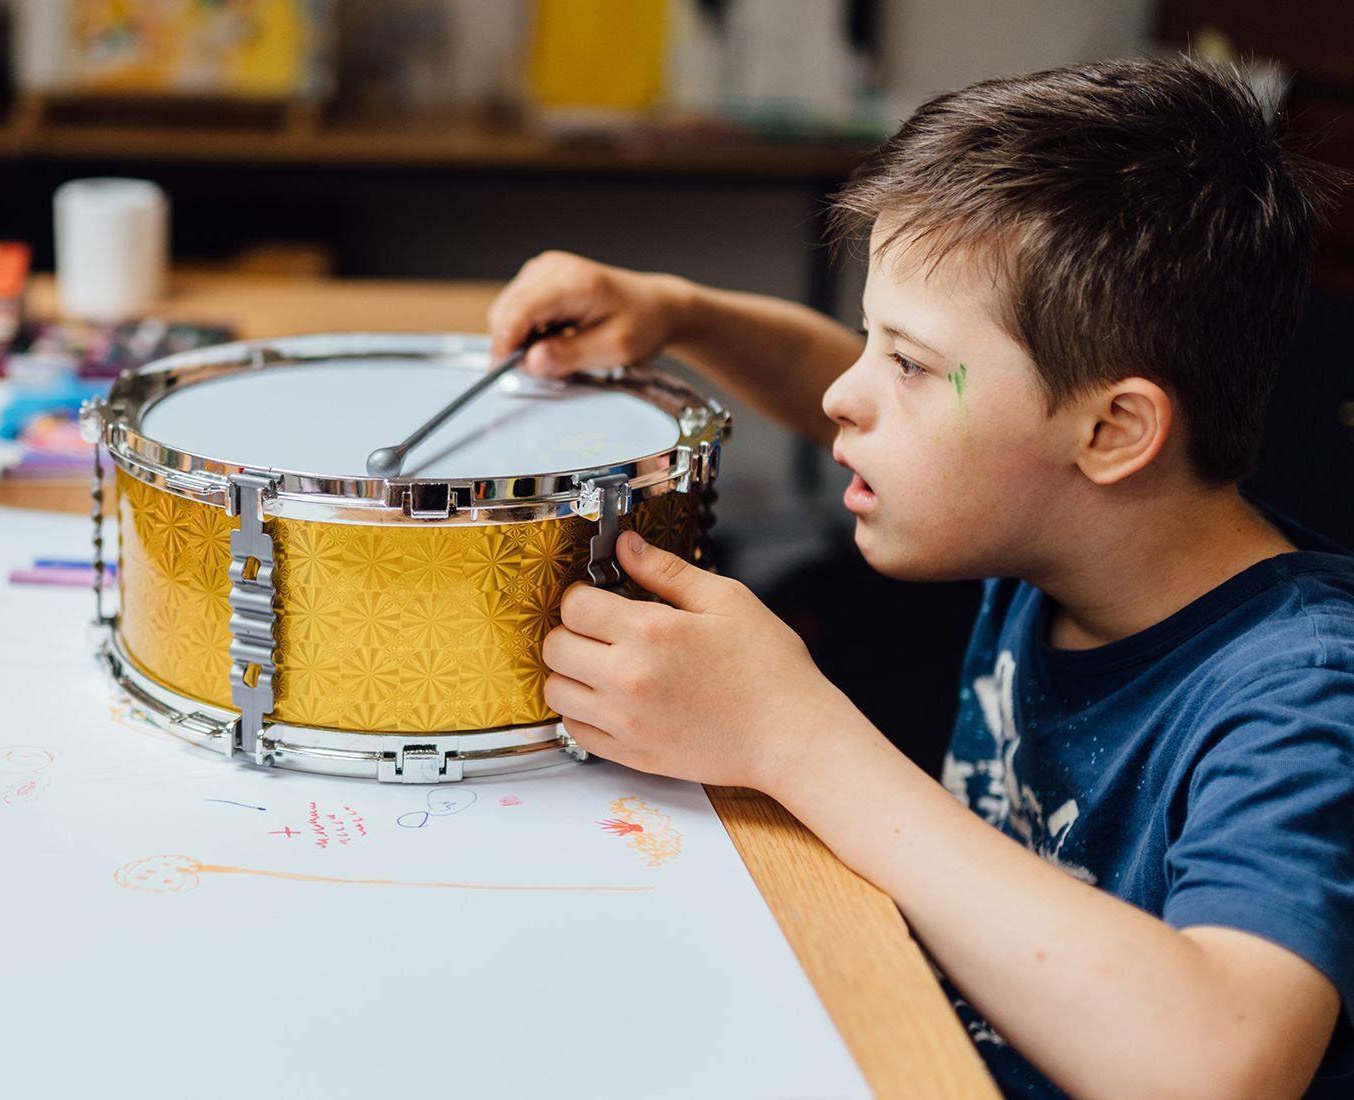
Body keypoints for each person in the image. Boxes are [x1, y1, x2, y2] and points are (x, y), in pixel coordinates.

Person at [490, 58, 1353, 1099]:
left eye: (904, 360)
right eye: (871, 335)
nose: (849, 394)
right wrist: (683, 312)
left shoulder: (1305, 694)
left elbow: (1218, 1062)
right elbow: (853, 403)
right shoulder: (1059, 521)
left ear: (1111, 428)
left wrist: (794, 734)